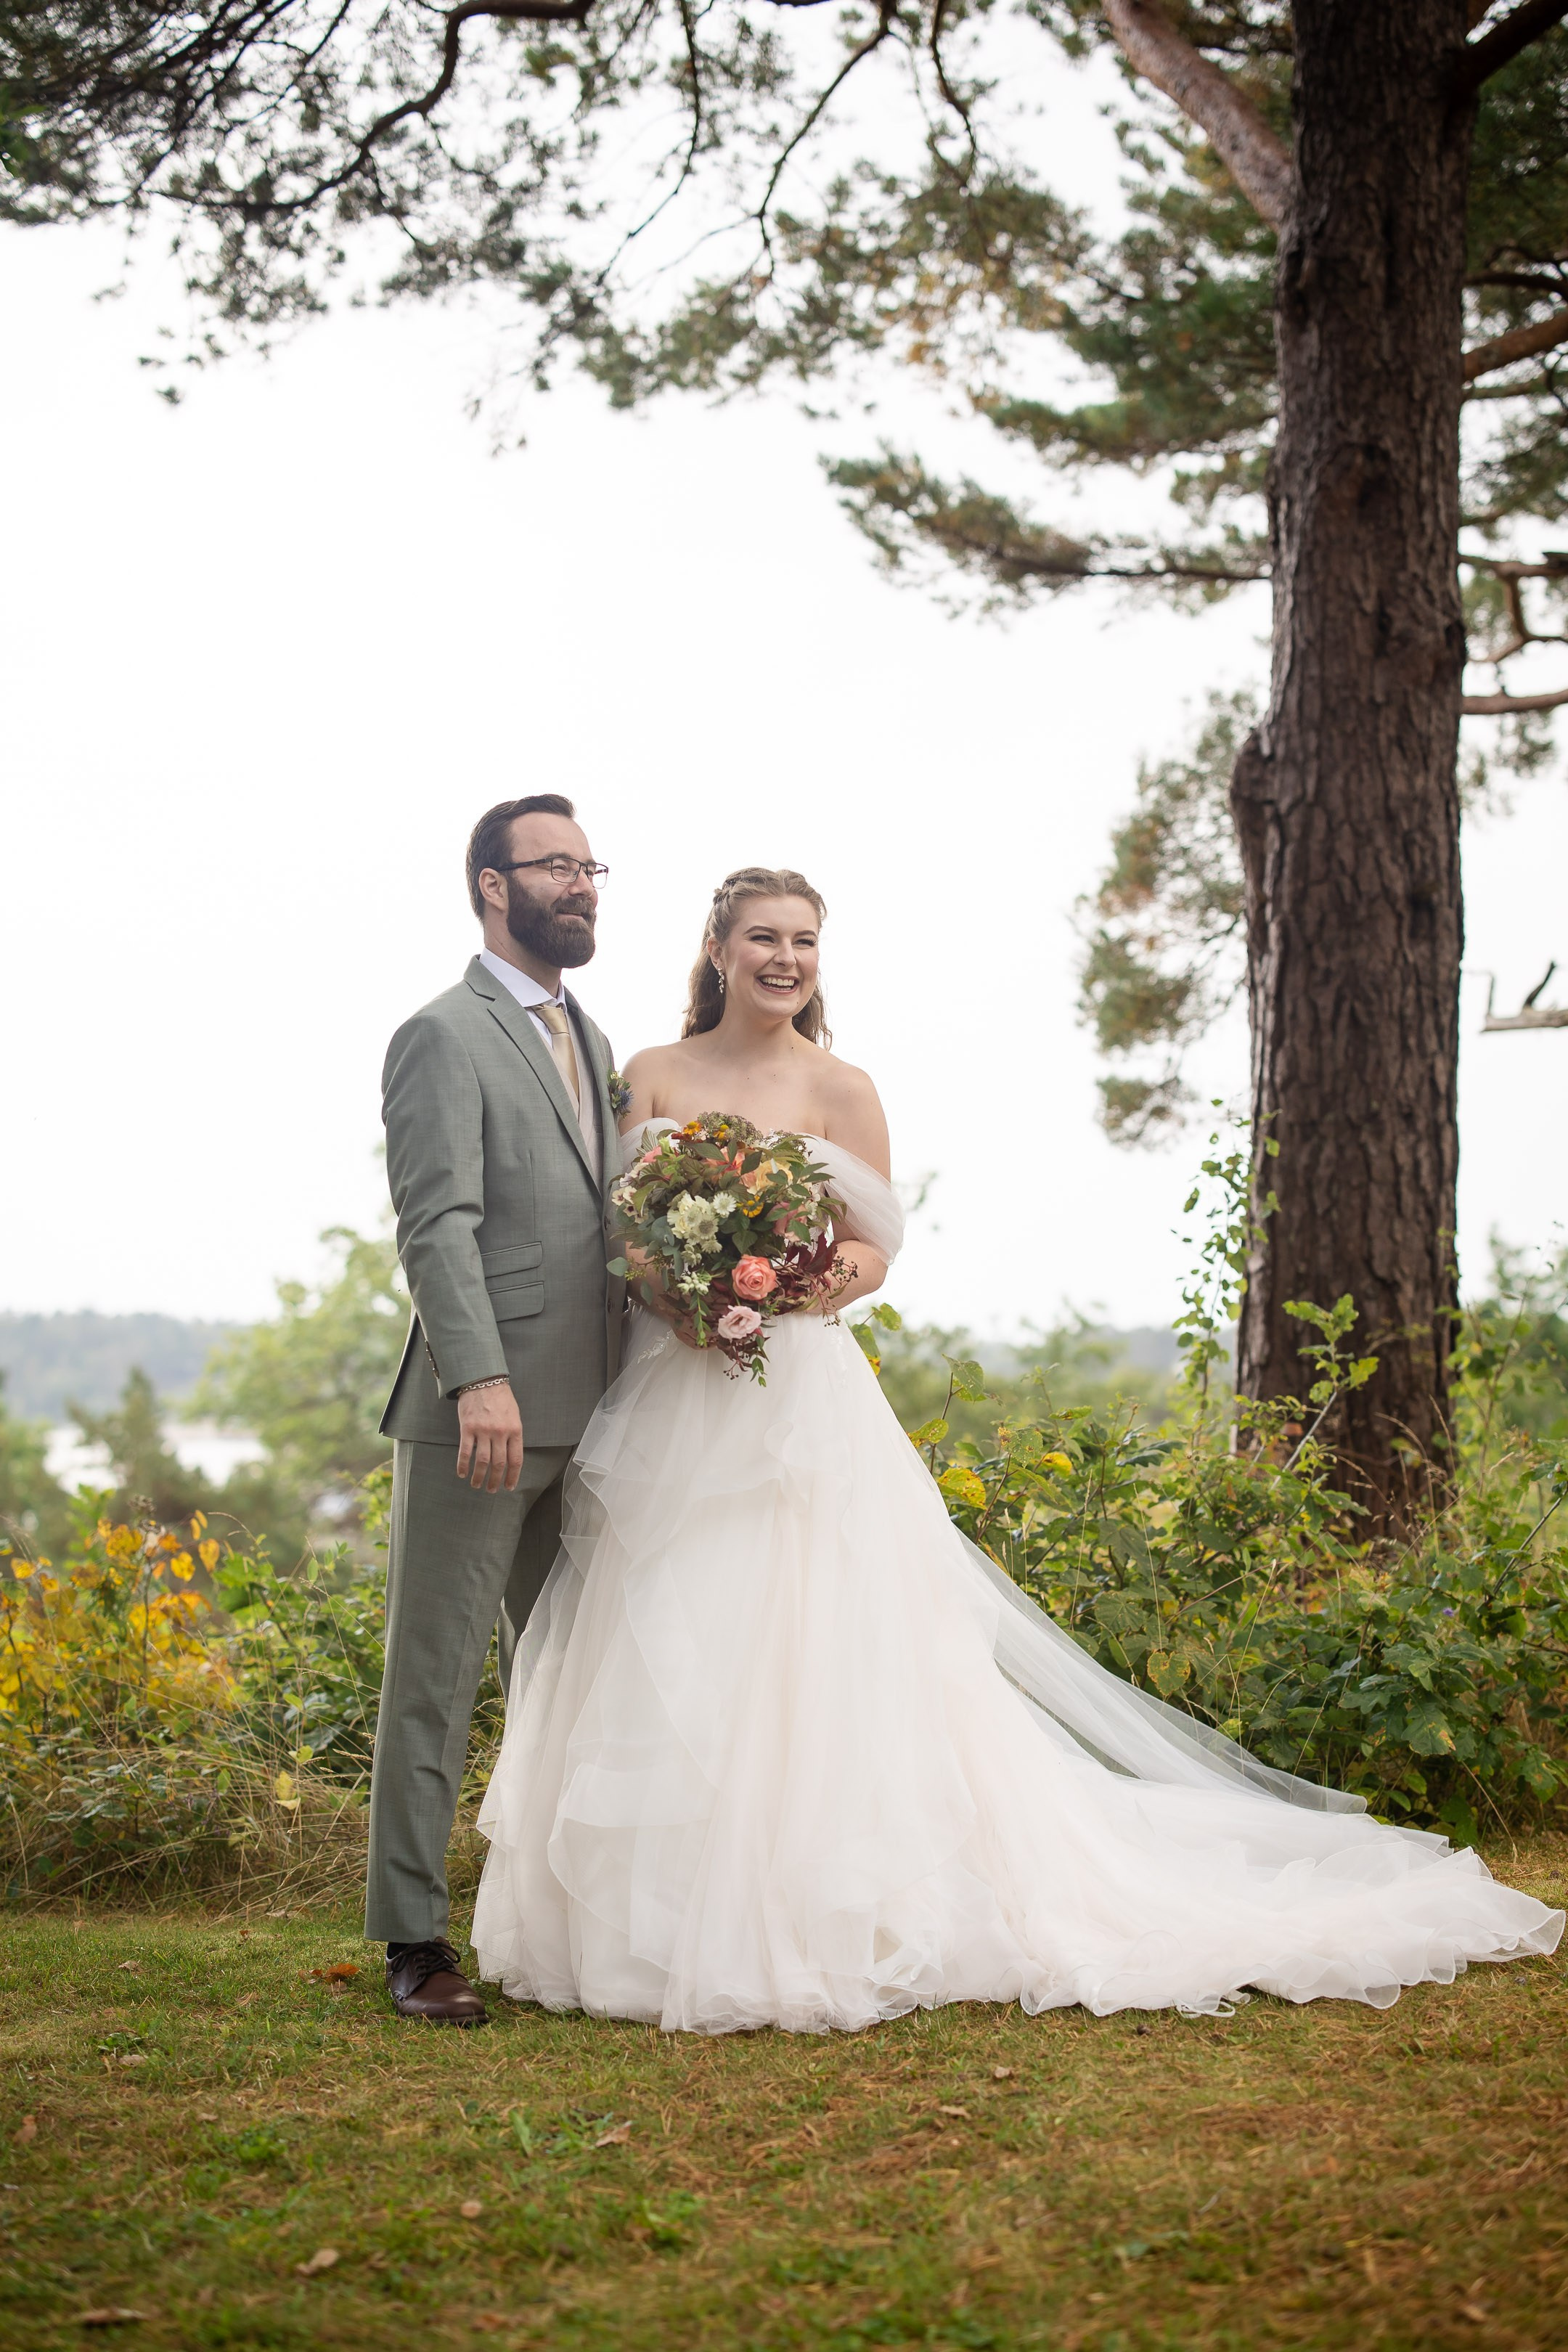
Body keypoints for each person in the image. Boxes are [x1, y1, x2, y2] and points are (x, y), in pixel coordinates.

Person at [469, 865, 1563, 2033]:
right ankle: (661, 1913)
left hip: (792, 1390)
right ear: (719, 947)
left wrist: (783, 1289)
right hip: (670, 1389)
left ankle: (826, 1901)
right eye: (763, 939)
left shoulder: (843, 1087)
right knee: (671, 1621)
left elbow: (875, 1246)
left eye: (804, 942)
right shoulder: (653, 1074)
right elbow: (624, 1229)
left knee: (812, 1632)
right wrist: (684, 1291)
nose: (784, 960)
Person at [368, 794, 623, 2024]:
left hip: (599, 1412)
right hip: (481, 1416)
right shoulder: (440, 1035)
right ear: (491, 885)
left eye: (590, 866)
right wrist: (478, 1378)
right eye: (554, 866)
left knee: (574, 1673)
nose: (580, 885)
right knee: (436, 1674)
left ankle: (566, 1918)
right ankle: (413, 1941)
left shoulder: (597, 1038)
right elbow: (438, 1224)